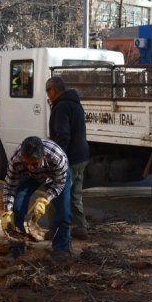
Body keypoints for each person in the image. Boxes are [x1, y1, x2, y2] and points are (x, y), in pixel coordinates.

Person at [0, 136, 72, 261]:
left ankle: (61, 249)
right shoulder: (16, 160)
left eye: (34, 163)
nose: (30, 167)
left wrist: (45, 199)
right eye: (26, 163)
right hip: (30, 178)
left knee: (64, 213)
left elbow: (60, 183)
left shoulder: (58, 157)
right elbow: (9, 186)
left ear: (43, 155)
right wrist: (7, 210)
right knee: (16, 209)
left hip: (54, 177)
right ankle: (17, 248)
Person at [46, 76, 90, 240]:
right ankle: (80, 227)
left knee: (56, 195)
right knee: (75, 196)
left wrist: (55, 157)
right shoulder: (75, 103)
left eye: (47, 91)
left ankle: (56, 230)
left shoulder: (61, 107)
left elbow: (63, 135)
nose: (47, 96)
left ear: (53, 90)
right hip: (81, 156)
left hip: (68, 158)